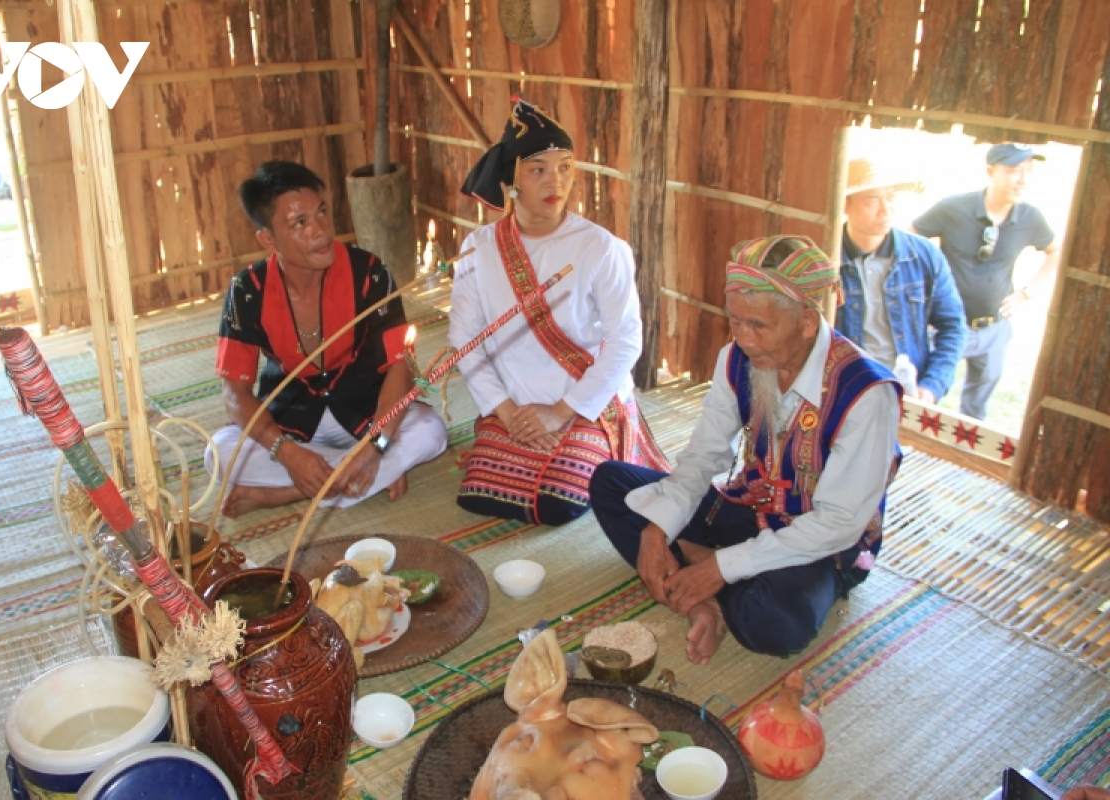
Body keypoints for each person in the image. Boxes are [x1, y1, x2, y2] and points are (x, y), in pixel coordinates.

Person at [589, 236, 902, 666]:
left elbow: (839, 524)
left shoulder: (866, 394)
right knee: (611, 483)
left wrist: (719, 567)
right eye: (735, 320)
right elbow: (704, 456)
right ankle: (706, 597)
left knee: (777, 622)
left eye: (758, 325)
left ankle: (710, 578)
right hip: (748, 509)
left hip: (817, 545)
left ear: (807, 321)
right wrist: (657, 529)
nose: (744, 338)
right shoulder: (735, 357)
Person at [449, 98, 668, 526]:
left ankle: (591, 446)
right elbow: (464, 340)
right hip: (515, 406)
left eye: (565, 167)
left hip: (583, 402)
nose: (557, 181)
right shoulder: (478, 248)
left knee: (556, 501)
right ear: (512, 181)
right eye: (538, 170)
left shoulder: (600, 248)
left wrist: (560, 412)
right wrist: (508, 412)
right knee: (480, 494)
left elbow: (626, 341)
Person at [207, 161, 447, 518]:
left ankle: (287, 493)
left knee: (431, 432)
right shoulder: (247, 290)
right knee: (218, 453)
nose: (320, 230)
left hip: (366, 419)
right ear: (268, 238)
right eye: (299, 223)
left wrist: (375, 447)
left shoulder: (369, 274)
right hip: (292, 427)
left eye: (321, 212)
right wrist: (288, 454)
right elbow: (234, 392)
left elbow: (400, 368)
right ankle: (364, 479)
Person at [911, 143, 1059, 420]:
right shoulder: (954, 208)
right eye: (1014, 170)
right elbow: (908, 240)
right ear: (991, 172)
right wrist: (921, 295)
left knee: (975, 412)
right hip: (945, 326)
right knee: (925, 397)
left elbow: (1056, 252)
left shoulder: (1030, 217)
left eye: (1028, 171)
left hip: (994, 328)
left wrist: (1027, 292)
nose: (1022, 179)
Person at [836, 157, 966, 403]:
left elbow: (953, 326)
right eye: (872, 200)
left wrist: (932, 386)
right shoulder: (825, 259)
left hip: (905, 391)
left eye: (891, 197)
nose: (886, 210)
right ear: (845, 204)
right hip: (843, 392)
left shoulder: (924, 255)